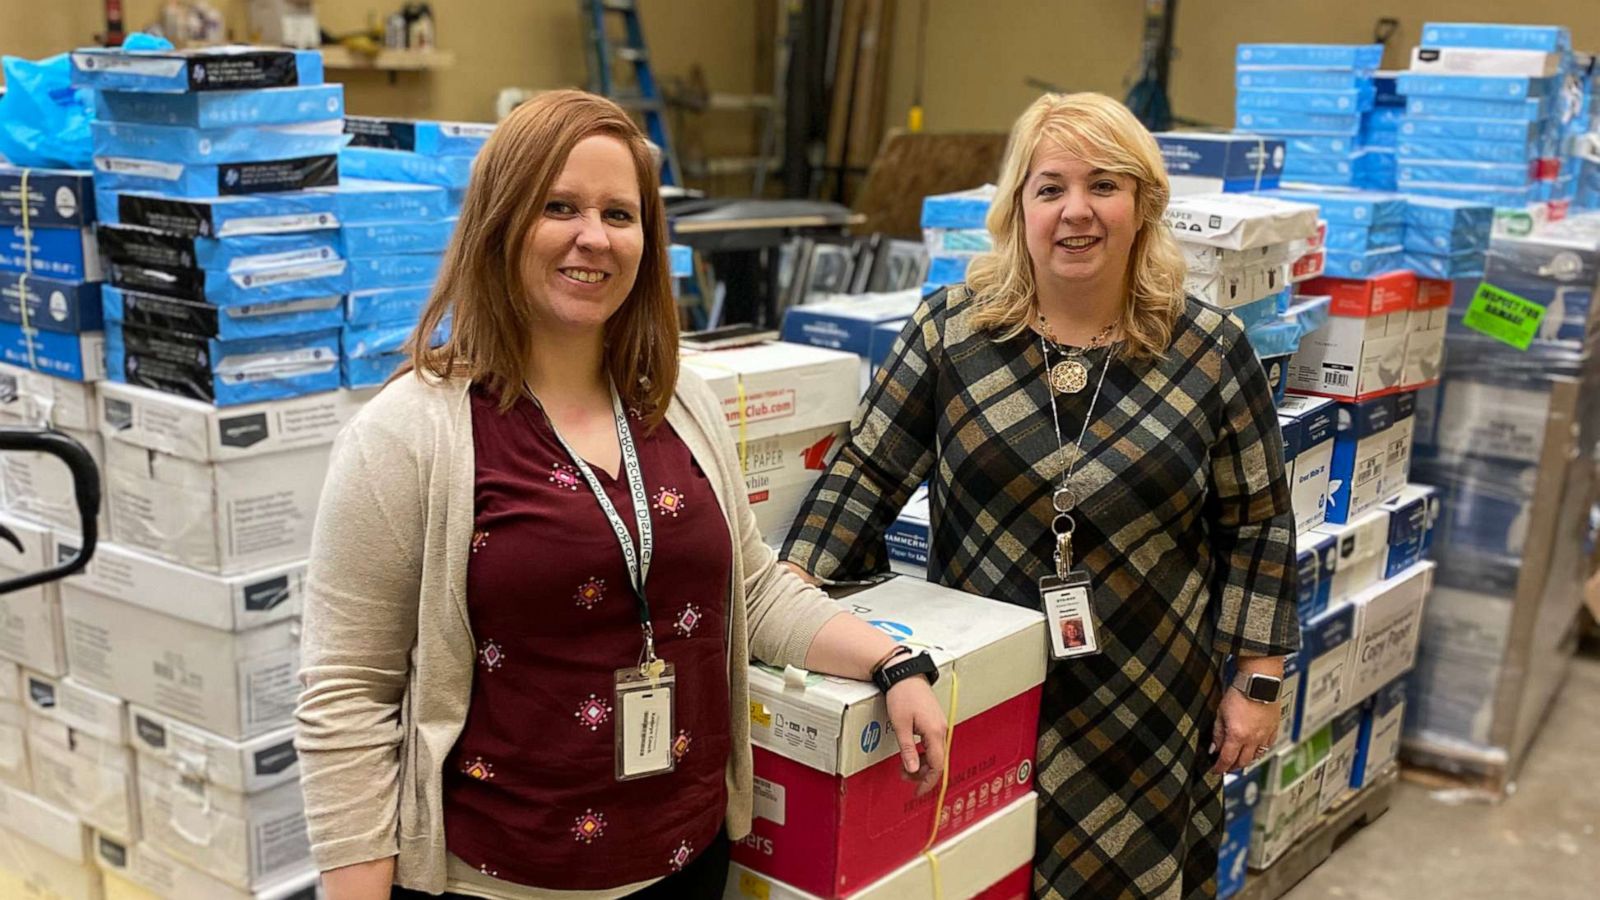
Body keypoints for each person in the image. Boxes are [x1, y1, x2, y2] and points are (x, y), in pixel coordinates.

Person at [294, 90, 948, 900]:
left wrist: (893, 662)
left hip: (686, 860)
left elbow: (753, 584)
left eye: (620, 213)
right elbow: (347, 693)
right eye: (559, 207)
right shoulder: (411, 433)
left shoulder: (678, 403)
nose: (593, 238)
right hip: (499, 883)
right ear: (499, 222)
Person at [781, 92, 1299, 900]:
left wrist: (1258, 681)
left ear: (1145, 204)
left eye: (1105, 185)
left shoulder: (1208, 351)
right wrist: (793, 601)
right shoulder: (951, 333)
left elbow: (1258, 525)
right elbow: (863, 474)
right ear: (1017, 207)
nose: (1076, 211)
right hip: (981, 697)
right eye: (1049, 187)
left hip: (1148, 705)